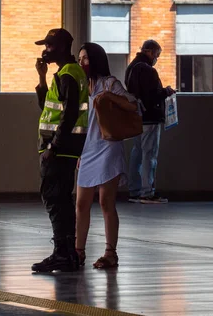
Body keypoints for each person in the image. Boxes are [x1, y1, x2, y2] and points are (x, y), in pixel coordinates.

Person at [32, 28, 89, 273]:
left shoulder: (68, 74)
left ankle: (61, 254)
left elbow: (70, 114)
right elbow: (47, 107)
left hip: (59, 149)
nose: (46, 50)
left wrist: (53, 147)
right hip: (65, 148)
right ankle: (68, 254)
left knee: (54, 199)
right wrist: (42, 78)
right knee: (63, 200)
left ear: (63, 48)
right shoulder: (66, 73)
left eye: (50, 46)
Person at [76, 43, 137, 269]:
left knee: (105, 202)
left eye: (85, 59)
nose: (81, 63)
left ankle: (110, 252)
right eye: (79, 59)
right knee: (81, 203)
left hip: (108, 147)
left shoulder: (109, 83)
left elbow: (133, 104)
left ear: (96, 60)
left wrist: (110, 96)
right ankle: (78, 251)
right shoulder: (82, 87)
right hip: (88, 149)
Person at [125, 39, 175, 204]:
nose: (157, 59)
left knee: (137, 153)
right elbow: (152, 95)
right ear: (150, 52)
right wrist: (166, 91)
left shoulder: (131, 67)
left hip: (137, 118)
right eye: (157, 55)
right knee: (149, 155)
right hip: (150, 118)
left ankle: (134, 190)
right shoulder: (148, 71)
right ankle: (147, 192)